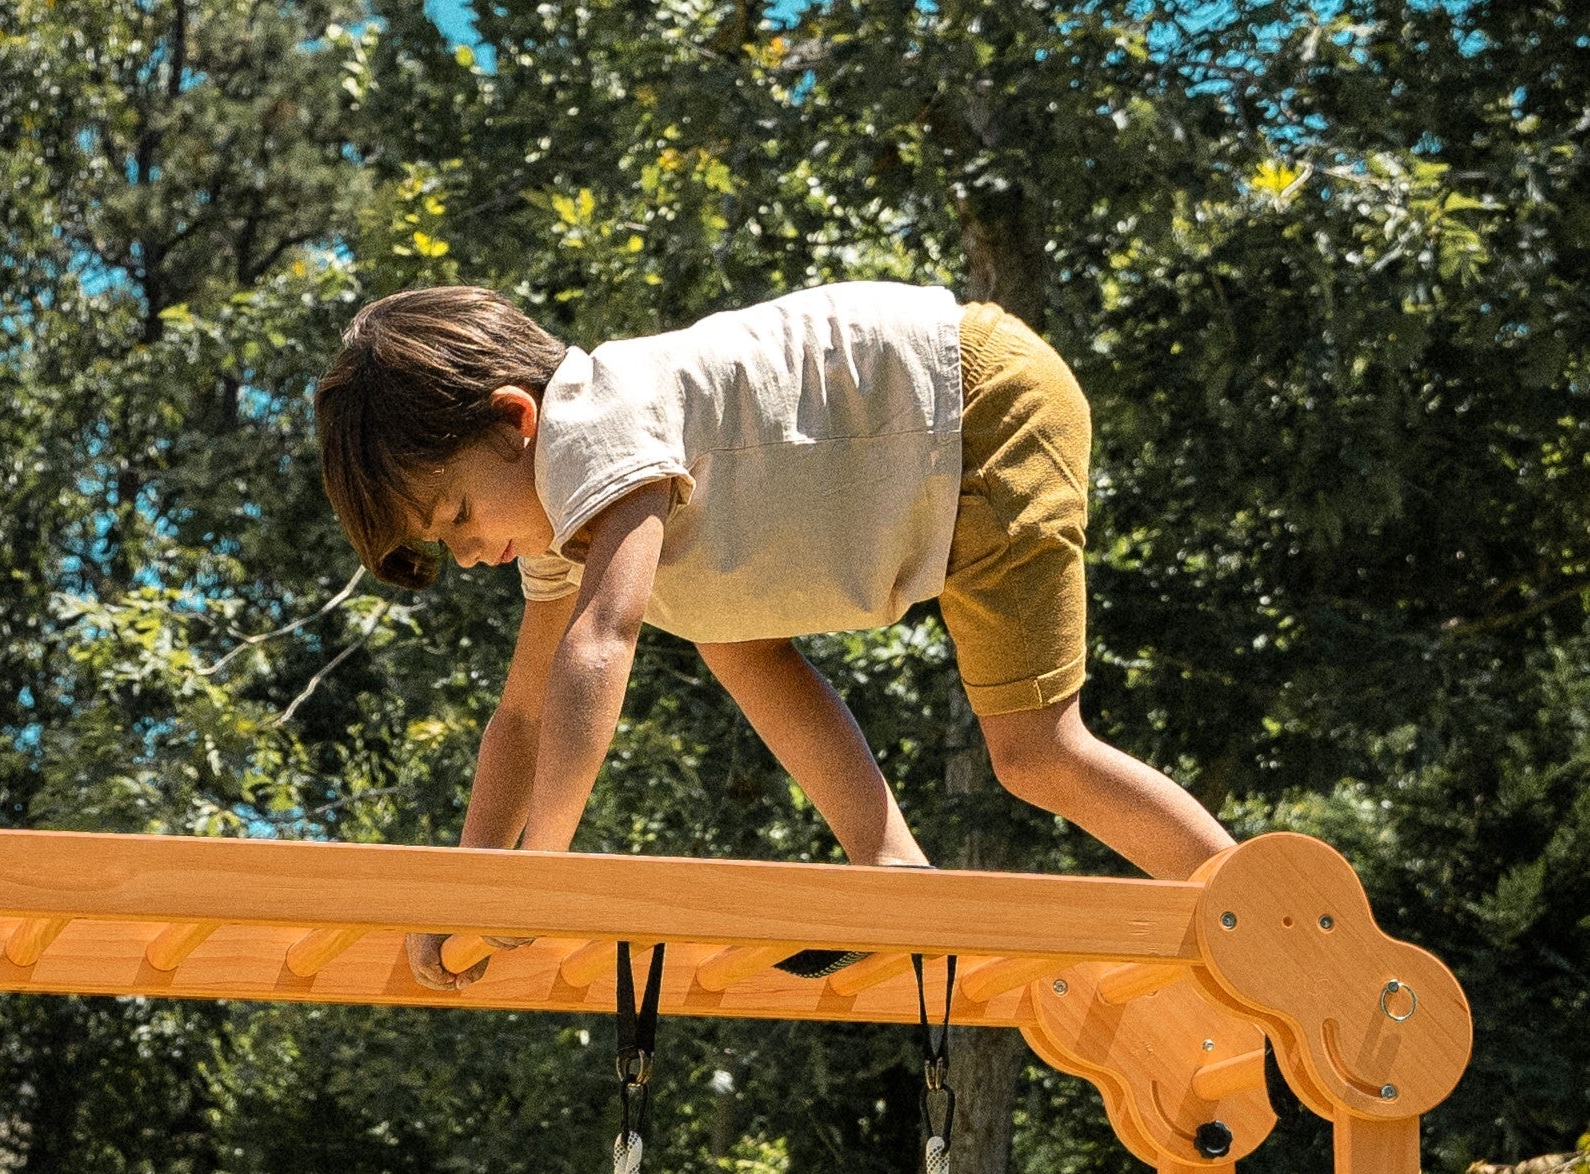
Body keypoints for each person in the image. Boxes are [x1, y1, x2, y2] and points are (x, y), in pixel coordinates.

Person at [311, 282, 1233, 981]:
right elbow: (518, 718)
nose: (471, 553)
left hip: (977, 411)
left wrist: (538, 870)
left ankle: (1250, 908)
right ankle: (889, 863)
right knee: (725, 627)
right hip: (913, 470)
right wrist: (466, 886)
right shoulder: (558, 519)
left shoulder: (593, 419)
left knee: (1036, 751)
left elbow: (604, 640)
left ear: (516, 420)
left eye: (459, 511)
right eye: (446, 539)